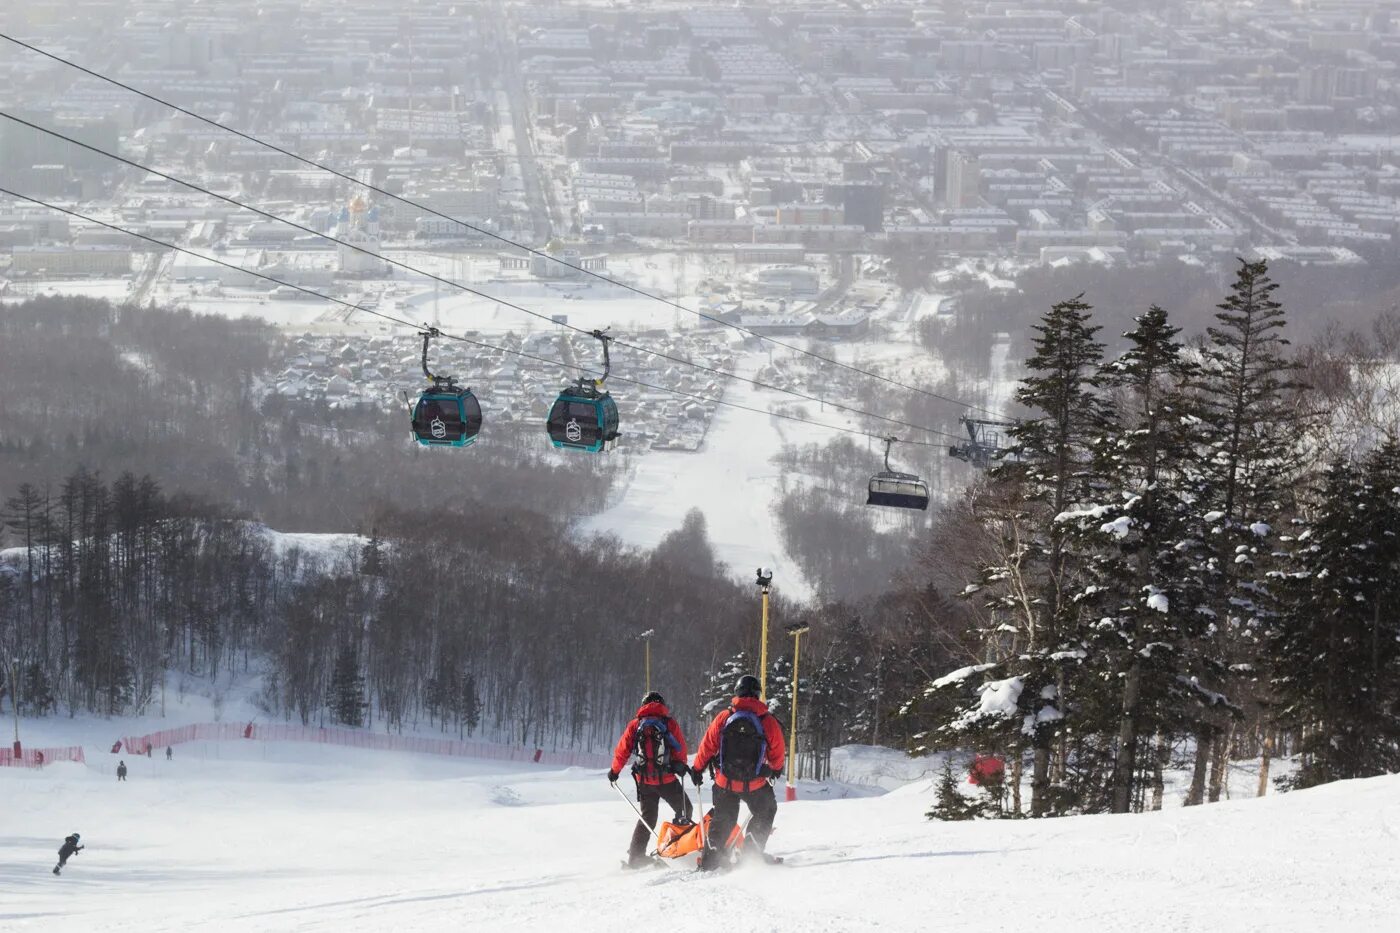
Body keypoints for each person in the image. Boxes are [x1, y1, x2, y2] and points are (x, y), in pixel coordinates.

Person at [689, 674, 786, 871]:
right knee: (766, 810)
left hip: (726, 782)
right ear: (758, 694)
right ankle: (750, 854)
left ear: (737, 693)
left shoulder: (724, 717)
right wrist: (775, 769)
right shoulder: (767, 720)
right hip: (755, 783)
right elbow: (777, 751)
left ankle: (711, 860)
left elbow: (707, 745)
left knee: (724, 818)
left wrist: (697, 768)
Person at [608, 691, 692, 868]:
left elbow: (622, 750)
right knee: (685, 809)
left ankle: (636, 857)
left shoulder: (635, 725)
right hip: (667, 780)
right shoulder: (669, 723)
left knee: (647, 818)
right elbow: (680, 749)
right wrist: (680, 765)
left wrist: (614, 771)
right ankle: (675, 849)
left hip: (644, 781)